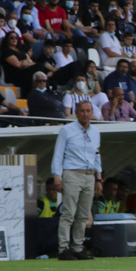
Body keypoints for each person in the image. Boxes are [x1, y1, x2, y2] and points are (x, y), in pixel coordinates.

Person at [52, 101, 102, 261]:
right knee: (68, 213)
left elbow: (97, 155)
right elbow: (58, 154)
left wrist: (99, 178)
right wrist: (56, 176)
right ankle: (63, 248)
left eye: (88, 111)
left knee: (82, 215)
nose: (85, 114)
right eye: (82, 111)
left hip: (89, 175)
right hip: (72, 173)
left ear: (91, 112)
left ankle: (78, 247)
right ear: (77, 112)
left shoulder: (95, 132)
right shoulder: (67, 130)